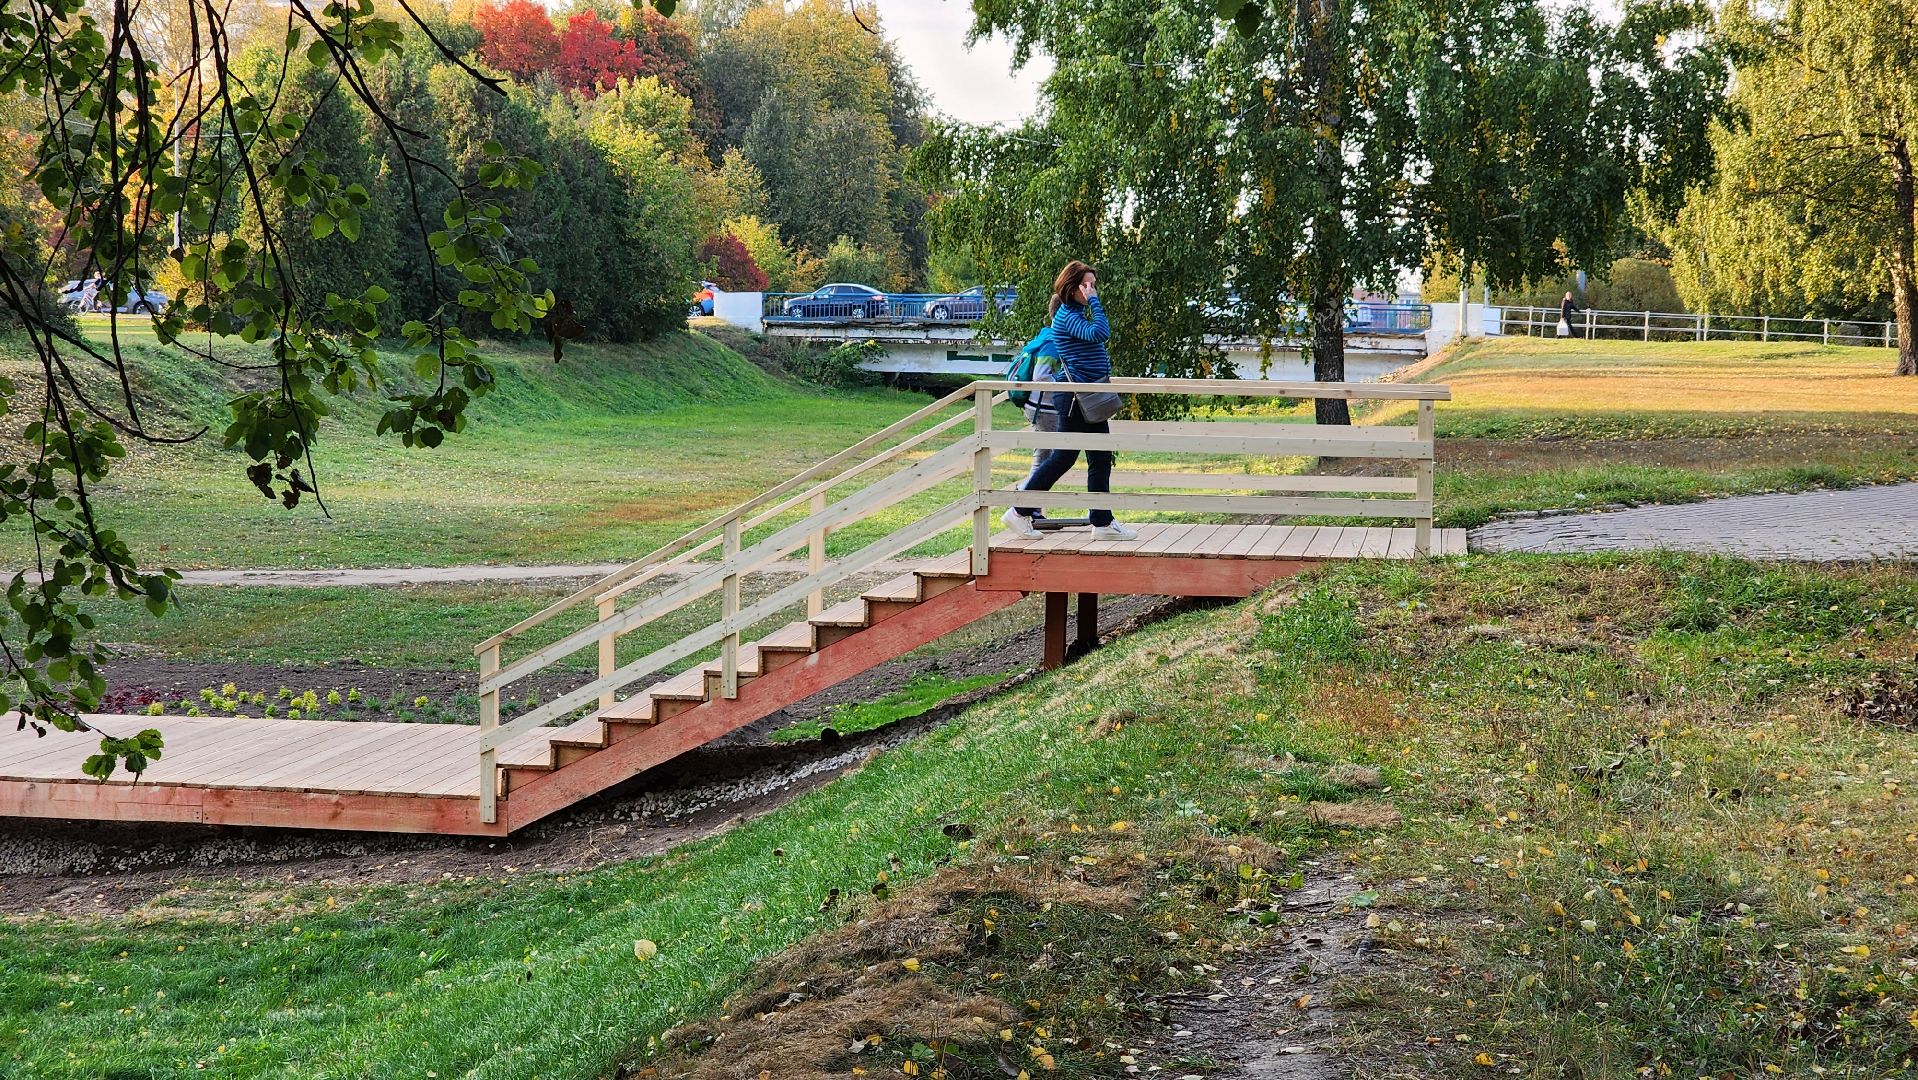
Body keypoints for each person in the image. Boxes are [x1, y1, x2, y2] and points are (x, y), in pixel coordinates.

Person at [1001, 260, 1138, 541]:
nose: (1091, 290)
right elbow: (1101, 333)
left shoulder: (1075, 313)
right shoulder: (1067, 316)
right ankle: (1018, 511)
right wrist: (1096, 303)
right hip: (1075, 398)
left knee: (1100, 457)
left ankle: (1101, 522)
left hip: (1086, 395)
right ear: (1072, 287)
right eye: (1086, 285)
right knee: (1063, 457)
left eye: (1093, 285)